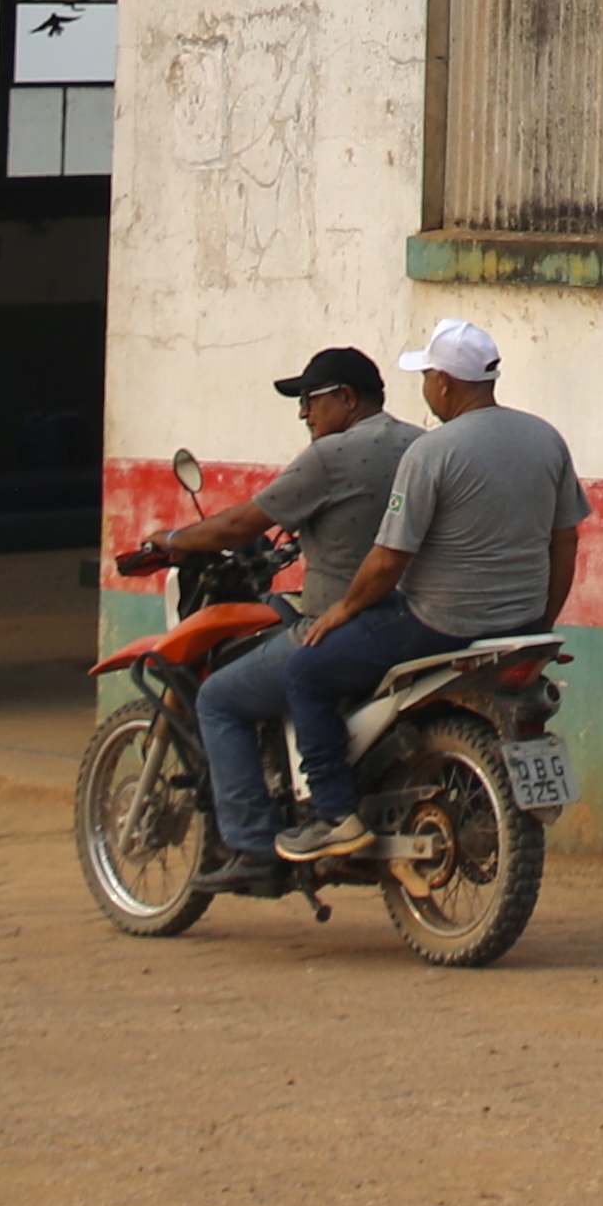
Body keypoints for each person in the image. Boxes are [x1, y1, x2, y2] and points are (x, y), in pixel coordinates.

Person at [267, 316, 591, 874]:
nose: (425, 388)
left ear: (444, 382)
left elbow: (389, 559)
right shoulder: (545, 439)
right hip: (517, 626)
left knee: (306, 671)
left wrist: (344, 608)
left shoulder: (432, 453)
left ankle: (334, 815)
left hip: (437, 622)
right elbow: (565, 542)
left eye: (426, 376)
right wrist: (540, 620)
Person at [161, 348, 414, 882]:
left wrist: (172, 540)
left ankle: (251, 847)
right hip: (411, 618)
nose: (304, 414)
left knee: (218, 698)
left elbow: (240, 527)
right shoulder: (422, 444)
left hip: (340, 622)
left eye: (310, 400)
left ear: (346, 398)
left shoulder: (330, 456)